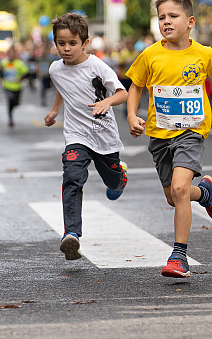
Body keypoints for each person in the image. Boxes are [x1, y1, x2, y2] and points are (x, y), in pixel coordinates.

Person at [126, 0, 212, 278]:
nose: (166, 21)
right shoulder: (150, 54)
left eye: (173, 16)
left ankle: (179, 256)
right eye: (162, 17)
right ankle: (206, 193)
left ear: (190, 22)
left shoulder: (203, 54)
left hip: (191, 132)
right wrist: (131, 114)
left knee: (179, 189)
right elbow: (135, 85)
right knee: (175, 197)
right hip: (160, 135)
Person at [44, 13, 129, 261]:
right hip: (76, 135)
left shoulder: (97, 66)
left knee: (112, 184)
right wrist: (55, 110)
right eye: (61, 43)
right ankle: (71, 234)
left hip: (104, 135)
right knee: (72, 177)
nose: (66, 48)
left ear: (85, 42)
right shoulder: (55, 69)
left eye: (72, 43)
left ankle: (119, 176)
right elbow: (63, 88)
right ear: (56, 43)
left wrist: (107, 102)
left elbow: (122, 93)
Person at [0, 46, 29, 127]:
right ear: (8, 54)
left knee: (16, 103)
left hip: (17, 87)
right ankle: (10, 119)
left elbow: (27, 73)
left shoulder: (19, 63)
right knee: (9, 100)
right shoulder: (4, 63)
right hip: (7, 86)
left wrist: (21, 78)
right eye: (10, 54)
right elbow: (0, 72)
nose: (11, 55)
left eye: (13, 54)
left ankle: (13, 109)